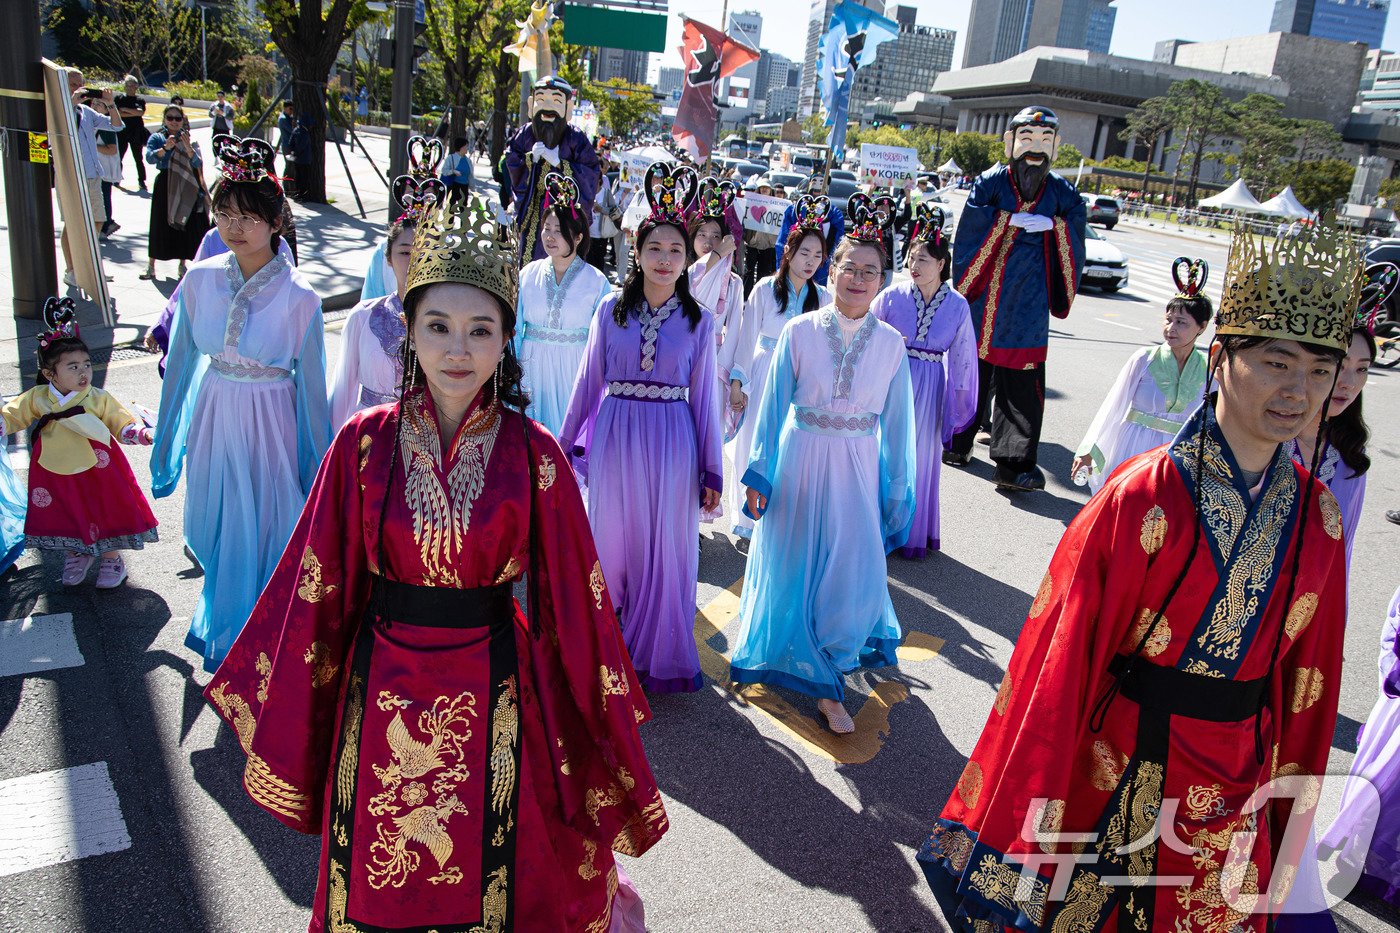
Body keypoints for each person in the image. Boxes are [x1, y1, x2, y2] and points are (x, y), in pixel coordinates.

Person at [201, 192, 667, 932]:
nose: (458, 350)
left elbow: (578, 607)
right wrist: (300, 708)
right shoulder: (362, 443)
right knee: (380, 873)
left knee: (504, 863)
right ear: (408, 330)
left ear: (506, 340)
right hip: (381, 681)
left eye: (481, 330)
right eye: (439, 326)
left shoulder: (536, 455)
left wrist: (595, 720)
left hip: (499, 683)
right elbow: (318, 584)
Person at [917, 220, 1359, 933]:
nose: (1298, 390)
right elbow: (1060, 665)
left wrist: (1288, 827)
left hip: (1234, 788)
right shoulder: (1142, 496)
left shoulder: (1320, 517)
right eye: (1278, 362)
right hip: (1121, 764)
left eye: (1319, 370)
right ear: (1222, 359)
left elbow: (1308, 692)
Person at [728, 193, 916, 734]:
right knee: (793, 562)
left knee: (850, 570)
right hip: (800, 461)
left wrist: (897, 490)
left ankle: (834, 668)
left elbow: (898, 427)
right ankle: (817, 677)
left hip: (857, 469)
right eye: (849, 267)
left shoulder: (892, 345)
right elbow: (772, 410)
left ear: (882, 281)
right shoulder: (799, 331)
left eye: (870, 271)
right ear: (831, 271)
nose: (858, 279)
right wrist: (760, 472)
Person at [152, 137, 330, 672]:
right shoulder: (199, 280)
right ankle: (232, 629)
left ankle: (250, 643)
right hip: (214, 412)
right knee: (216, 523)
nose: (235, 226)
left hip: (270, 422)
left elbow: (312, 394)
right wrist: (167, 446)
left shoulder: (302, 297)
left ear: (276, 221)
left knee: (266, 528)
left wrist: (316, 471)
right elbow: (180, 367)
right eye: (225, 213)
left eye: (249, 216)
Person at [557, 163, 723, 693]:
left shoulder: (700, 321)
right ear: (637, 250)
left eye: (676, 249)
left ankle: (654, 653)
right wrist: (562, 445)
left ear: (688, 257)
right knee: (611, 541)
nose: (665, 258)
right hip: (615, 436)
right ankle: (605, 651)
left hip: (673, 441)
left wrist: (712, 469)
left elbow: (706, 401)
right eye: (655, 248)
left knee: (664, 548)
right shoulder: (610, 310)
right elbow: (587, 382)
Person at [943, 106, 1087, 491]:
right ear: (1009, 142)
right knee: (971, 374)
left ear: (1056, 146)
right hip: (984, 299)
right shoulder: (990, 183)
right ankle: (958, 442)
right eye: (1026, 139)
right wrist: (1005, 221)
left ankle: (1013, 465)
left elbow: (1076, 229)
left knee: (1022, 386)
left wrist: (1055, 225)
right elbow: (971, 227)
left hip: (1028, 305)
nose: (1035, 149)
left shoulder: (1063, 193)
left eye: (1044, 140)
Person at [3, 298, 157, 588]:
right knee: (65, 509)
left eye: (86, 364)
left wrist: (139, 433)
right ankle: (76, 554)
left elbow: (120, 421)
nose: (83, 372)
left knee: (104, 507)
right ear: (49, 374)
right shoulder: (37, 397)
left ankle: (112, 558)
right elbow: (12, 415)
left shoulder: (97, 397)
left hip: (99, 465)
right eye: (72, 367)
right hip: (53, 466)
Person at [871, 204, 978, 559]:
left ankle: (912, 532)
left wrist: (959, 402)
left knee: (920, 457)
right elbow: (866, 331)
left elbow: (964, 356)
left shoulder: (958, 305)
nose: (913, 265)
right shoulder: (891, 296)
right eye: (911, 257)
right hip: (893, 379)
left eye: (923, 259)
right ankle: (875, 527)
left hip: (931, 385)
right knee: (886, 449)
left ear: (941, 264)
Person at [725, 198, 832, 546]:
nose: (810, 262)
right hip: (764, 374)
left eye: (817, 256)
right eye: (804, 253)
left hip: (801, 382)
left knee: (790, 449)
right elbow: (746, 339)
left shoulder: (824, 298)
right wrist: (738, 383)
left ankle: (780, 520)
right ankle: (748, 519)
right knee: (755, 443)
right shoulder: (765, 289)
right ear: (788, 251)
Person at [1070, 257, 1212, 494]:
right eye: (1168, 320)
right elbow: (1114, 405)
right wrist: (1089, 450)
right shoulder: (1144, 359)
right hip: (1132, 448)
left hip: (1176, 456)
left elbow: (1212, 422)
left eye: (1181, 322)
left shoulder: (1208, 371)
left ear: (1202, 326)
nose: (1171, 328)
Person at [328, 175, 443, 430]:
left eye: (424, 252)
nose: (414, 262)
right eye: (405, 252)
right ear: (388, 258)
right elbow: (342, 392)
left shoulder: (448, 323)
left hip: (426, 437)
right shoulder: (363, 316)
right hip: (370, 434)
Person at [516, 173, 610, 438]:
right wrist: (512, 369)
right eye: (547, 228)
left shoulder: (596, 282)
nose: (550, 236)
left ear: (578, 237)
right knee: (530, 439)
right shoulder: (528, 274)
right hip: (532, 367)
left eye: (559, 231)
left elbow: (603, 339)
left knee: (566, 438)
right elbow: (514, 326)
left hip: (573, 369)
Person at [506, 76, 601, 264]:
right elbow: (511, 161)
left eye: (556, 101)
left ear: (568, 108)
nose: (547, 107)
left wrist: (559, 163)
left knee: (559, 258)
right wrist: (530, 159)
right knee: (526, 260)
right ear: (531, 105)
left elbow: (591, 174)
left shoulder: (575, 138)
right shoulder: (525, 134)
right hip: (532, 210)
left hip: (562, 215)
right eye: (541, 100)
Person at [687, 177, 745, 456]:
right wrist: (719, 253)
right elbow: (698, 273)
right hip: (684, 356)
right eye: (702, 234)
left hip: (715, 360)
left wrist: (729, 374)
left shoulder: (734, 283)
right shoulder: (682, 274)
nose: (709, 241)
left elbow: (735, 331)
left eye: (715, 236)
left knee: (707, 434)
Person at [362, 136, 445, 303]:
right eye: (405, 253)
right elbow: (370, 300)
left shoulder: (447, 245)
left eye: (427, 195)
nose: (419, 198)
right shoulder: (385, 248)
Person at [60, 69, 123, 288]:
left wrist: (110, 103)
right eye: (73, 84)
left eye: (81, 84)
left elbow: (116, 126)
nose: (78, 88)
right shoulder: (58, 108)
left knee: (98, 220)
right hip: (70, 175)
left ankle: (87, 266)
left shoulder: (86, 111)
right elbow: (58, 126)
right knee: (72, 223)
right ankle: (71, 270)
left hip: (93, 175)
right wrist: (70, 102)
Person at [141, 106, 209, 281]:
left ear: (183, 120)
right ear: (164, 119)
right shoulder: (158, 138)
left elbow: (197, 164)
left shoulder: (188, 139)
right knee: (159, 223)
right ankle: (151, 266)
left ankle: (182, 264)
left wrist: (188, 149)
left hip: (185, 184)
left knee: (183, 222)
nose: (173, 121)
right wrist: (165, 148)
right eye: (170, 118)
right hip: (165, 183)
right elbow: (150, 158)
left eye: (177, 118)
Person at [775, 174, 845, 286]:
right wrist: (781, 266)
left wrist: (828, 263)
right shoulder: (795, 209)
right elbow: (782, 241)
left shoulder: (834, 214)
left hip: (820, 266)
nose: (818, 188)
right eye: (815, 182)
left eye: (822, 183)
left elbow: (837, 243)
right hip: (795, 262)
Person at [742, 180, 780, 296]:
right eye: (762, 187)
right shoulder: (751, 203)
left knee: (763, 274)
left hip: (768, 246)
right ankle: (746, 297)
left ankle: (760, 296)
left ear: (770, 190)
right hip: (752, 244)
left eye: (766, 188)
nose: (764, 190)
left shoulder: (777, 206)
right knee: (748, 272)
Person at [114, 75, 149, 192]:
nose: (129, 88)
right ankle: (116, 178)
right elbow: (118, 113)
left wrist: (126, 110)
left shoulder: (139, 100)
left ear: (136, 87)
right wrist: (132, 113)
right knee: (119, 156)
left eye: (132, 86)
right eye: (127, 85)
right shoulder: (119, 98)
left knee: (138, 158)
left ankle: (142, 181)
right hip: (122, 132)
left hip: (136, 132)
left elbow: (140, 113)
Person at [440, 135, 473, 203]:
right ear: (461, 147)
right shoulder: (451, 158)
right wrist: (453, 171)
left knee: (463, 208)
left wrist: (473, 188)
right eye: (466, 146)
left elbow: (470, 175)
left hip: (464, 187)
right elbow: (444, 171)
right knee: (451, 207)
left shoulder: (468, 161)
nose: (467, 148)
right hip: (453, 186)